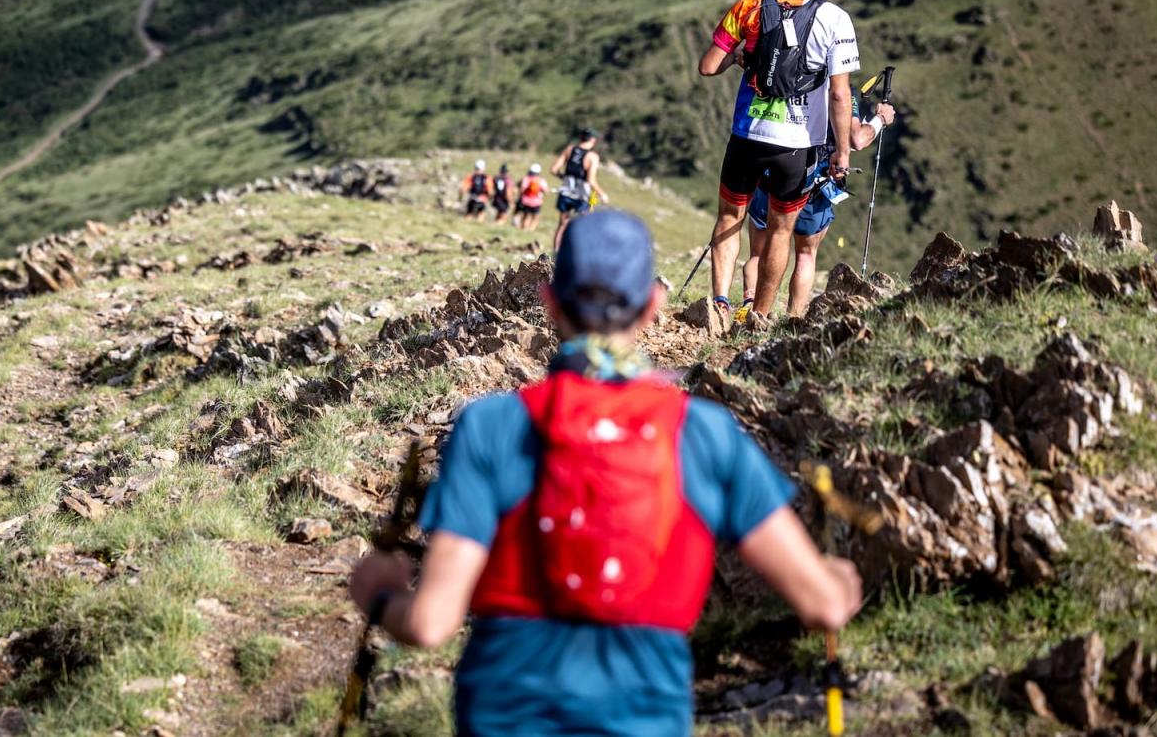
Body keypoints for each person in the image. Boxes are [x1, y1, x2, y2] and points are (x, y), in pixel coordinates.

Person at [348, 210, 863, 736]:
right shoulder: (703, 434)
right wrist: (837, 581)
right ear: (653, 306)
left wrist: (380, 593)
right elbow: (823, 604)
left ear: (551, 303)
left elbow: (431, 623)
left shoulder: (491, 427)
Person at [696, 0, 861, 328]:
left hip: (747, 135)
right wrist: (841, 153)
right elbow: (840, 96)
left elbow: (708, 66)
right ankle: (760, 316)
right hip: (797, 144)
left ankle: (720, 305)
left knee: (730, 217)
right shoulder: (836, 20)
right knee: (780, 231)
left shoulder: (749, 6)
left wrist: (739, 57)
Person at [737, 99, 896, 319]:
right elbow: (857, 139)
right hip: (815, 183)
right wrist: (880, 119)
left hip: (773, 172)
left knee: (759, 252)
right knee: (806, 255)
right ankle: (792, 319)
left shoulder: (788, 78)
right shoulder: (839, 90)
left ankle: (750, 310)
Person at [549, 128, 607, 250]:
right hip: (581, 195)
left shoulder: (569, 149)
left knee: (562, 224)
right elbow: (591, 180)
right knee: (582, 226)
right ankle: (576, 254)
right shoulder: (592, 156)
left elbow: (553, 170)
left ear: (581, 137)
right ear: (593, 140)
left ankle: (556, 253)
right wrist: (602, 194)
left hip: (565, 192)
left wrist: (564, 178)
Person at [513, 163, 549, 231]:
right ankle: (531, 230)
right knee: (535, 217)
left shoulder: (526, 178)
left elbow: (522, 189)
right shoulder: (541, 180)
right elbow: (546, 191)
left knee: (526, 215)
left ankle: (524, 229)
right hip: (537, 202)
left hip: (525, 200)